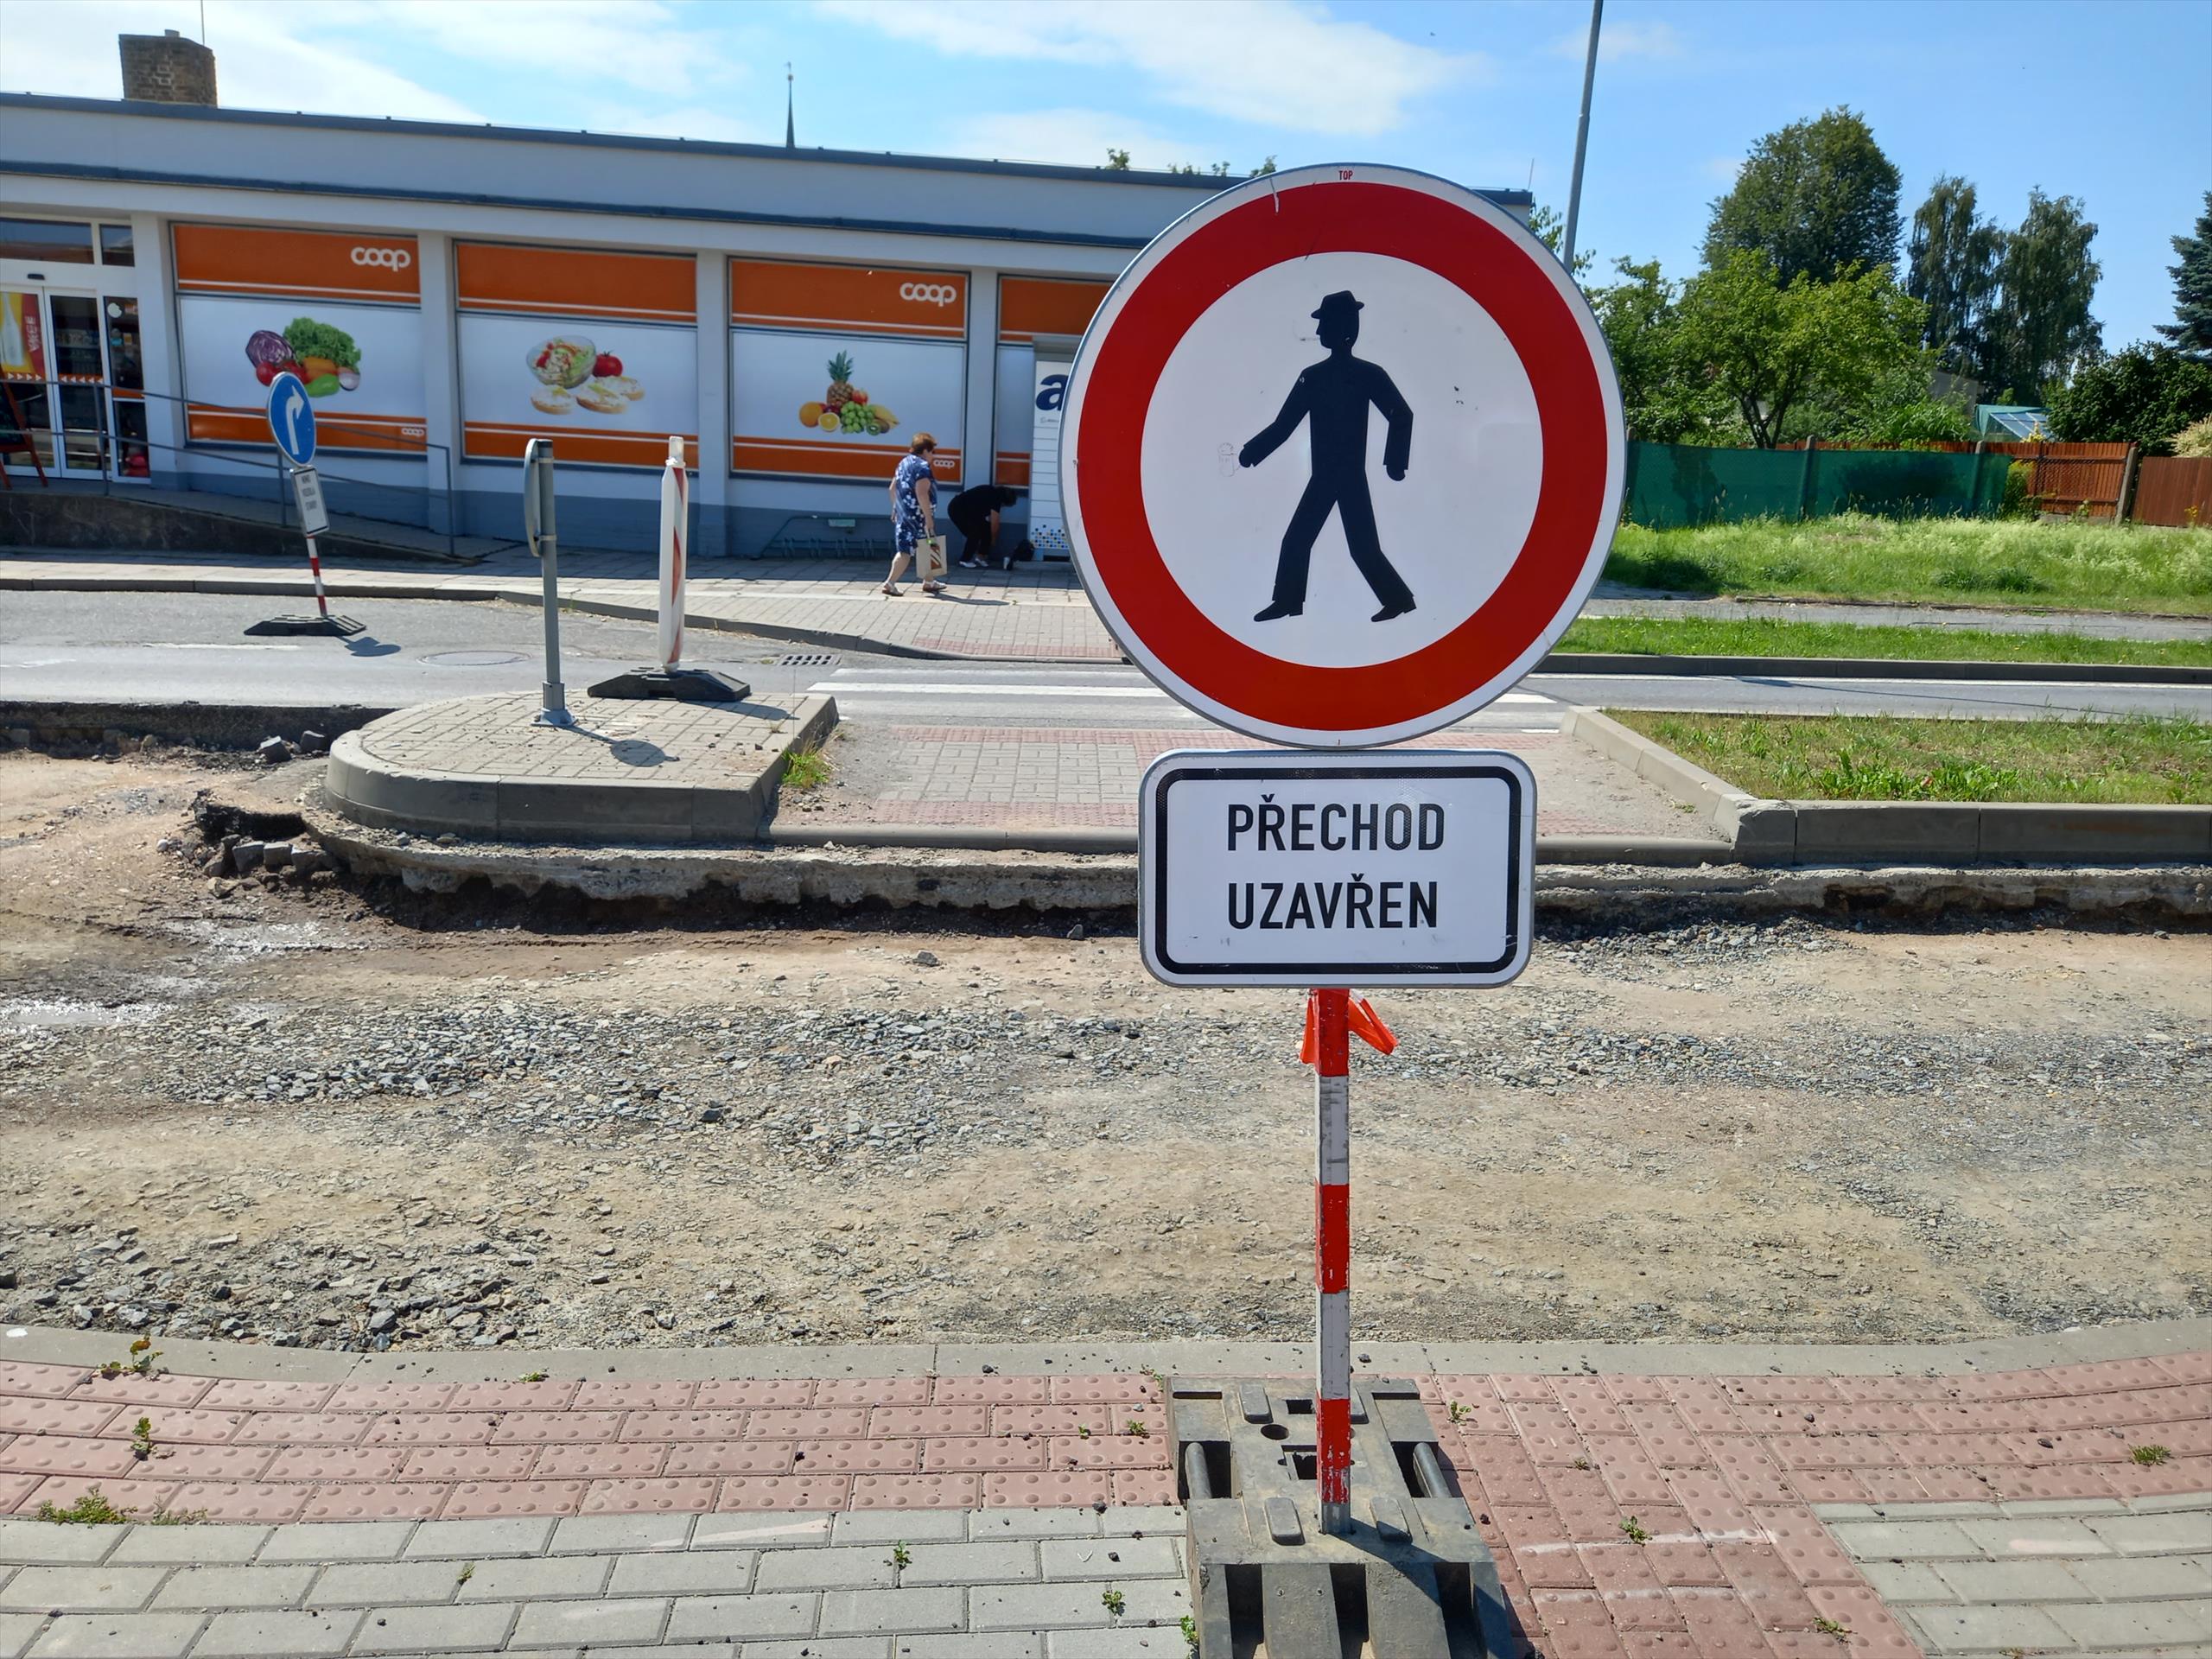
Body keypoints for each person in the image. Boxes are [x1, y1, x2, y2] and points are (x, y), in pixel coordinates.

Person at [1238, 289, 1416, 623]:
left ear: (1341, 328)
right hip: (1325, 475)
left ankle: (1398, 599)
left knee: (1352, 546)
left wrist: (1395, 462)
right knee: (1309, 541)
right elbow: (1285, 425)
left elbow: (1401, 414)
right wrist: (1253, 451)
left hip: (1347, 476)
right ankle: (1290, 601)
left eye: (1324, 325)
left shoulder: (1365, 374)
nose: (1318, 331)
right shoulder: (1314, 376)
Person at [882, 433, 943, 596]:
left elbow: (892, 488)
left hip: (905, 514)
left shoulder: (904, 463)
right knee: (906, 551)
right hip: (918, 516)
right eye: (933, 452)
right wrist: (929, 519)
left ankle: (929, 581)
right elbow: (922, 493)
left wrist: (896, 508)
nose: (933, 456)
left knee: (928, 545)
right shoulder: (922, 467)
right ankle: (890, 583)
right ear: (925, 451)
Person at [949, 483, 1019, 569]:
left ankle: (981, 557)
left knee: (986, 529)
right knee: (974, 533)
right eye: (1005, 505)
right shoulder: (996, 499)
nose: (1003, 507)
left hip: (970, 512)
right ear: (1005, 501)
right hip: (957, 509)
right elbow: (995, 524)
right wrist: (993, 540)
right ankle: (964, 560)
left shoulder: (992, 492)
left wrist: (990, 538)